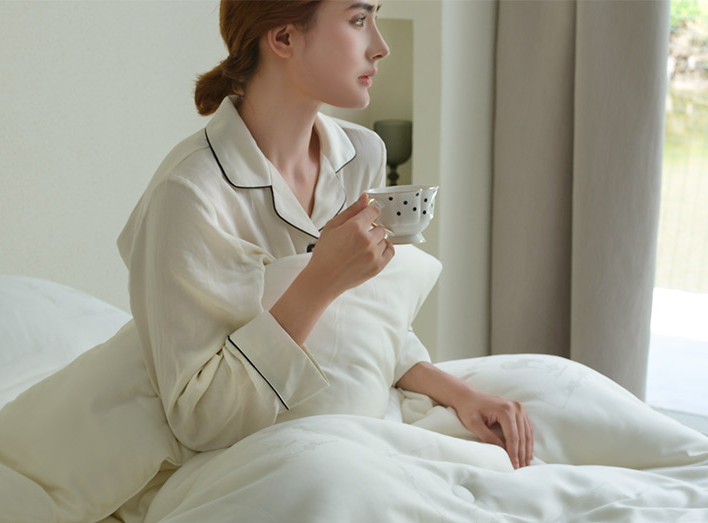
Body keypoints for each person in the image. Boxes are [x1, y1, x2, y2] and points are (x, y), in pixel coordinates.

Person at [119, 0, 534, 469]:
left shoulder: (362, 154)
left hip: (358, 424)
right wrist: (319, 281)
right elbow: (200, 419)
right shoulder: (189, 193)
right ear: (283, 38)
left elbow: (366, 325)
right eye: (359, 20)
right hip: (254, 455)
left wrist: (462, 396)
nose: (381, 46)